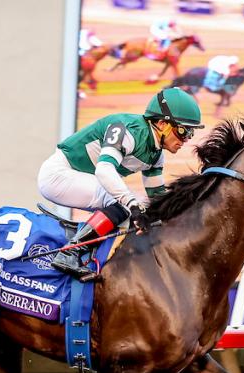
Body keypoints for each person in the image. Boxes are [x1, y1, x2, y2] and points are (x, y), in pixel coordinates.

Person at [37, 87, 204, 279]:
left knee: (140, 210)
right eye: (183, 131)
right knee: (123, 204)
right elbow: (104, 170)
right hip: (58, 175)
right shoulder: (129, 130)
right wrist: (131, 204)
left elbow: (158, 200)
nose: (186, 140)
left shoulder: (156, 155)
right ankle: (70, 253)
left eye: (190, 134)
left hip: (79, 179)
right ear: (161, 123)